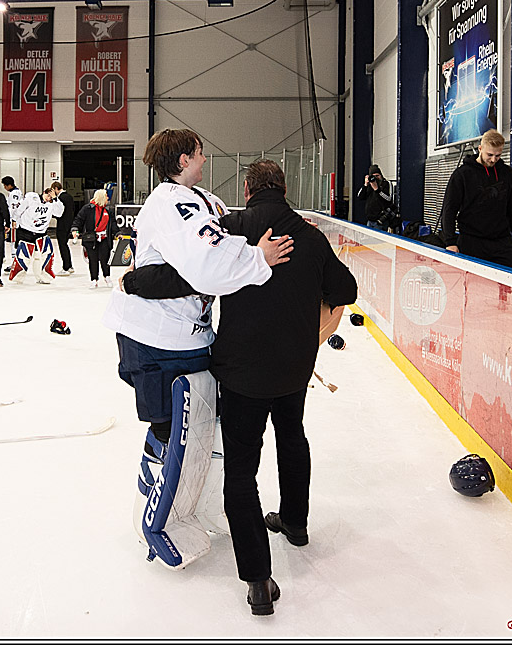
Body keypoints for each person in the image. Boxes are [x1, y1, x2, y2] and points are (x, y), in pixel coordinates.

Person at [121, 159, 357, 616]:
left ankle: (257, 580)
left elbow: (186, 268)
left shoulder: (229, 229)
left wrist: (134, 280)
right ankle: (296, 523)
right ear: (285, 188)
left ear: (246, 189)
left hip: (243, 374)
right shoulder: (309, 235)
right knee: (293, 440)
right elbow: (344, 288)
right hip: (293, 371)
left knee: (241, 471)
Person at [100, 129, 292, 575]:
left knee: (205, 432)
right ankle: (154, 518)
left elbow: (226, 243)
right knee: (173, 431)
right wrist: (256, 260)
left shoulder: (203, 197)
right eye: (201, 152)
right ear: (186, 158)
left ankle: (197, 506)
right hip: (156, 340)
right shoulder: (171, 201)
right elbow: (210, 264)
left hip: (190, 337)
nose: (206, 159)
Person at [441, 129, 512, 268]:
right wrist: (450, 242)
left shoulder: (507, 174)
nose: (493, 159)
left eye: (498, 155)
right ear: (480, 148)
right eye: (489, 155)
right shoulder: (462, 175)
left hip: (501, 241)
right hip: (471, 242)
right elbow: (449, 210)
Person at [9, 184, 65, 284]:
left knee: (42, 256)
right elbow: (19, 210)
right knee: (24, 256)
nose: (49, 199)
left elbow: (59, 213)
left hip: (41, 233)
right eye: (48, 196)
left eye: (51, 197)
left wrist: (55, 199)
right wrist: (14, 220)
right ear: (44, 193)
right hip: (26, 230)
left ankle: (43, 277)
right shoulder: (32, 198)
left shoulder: (52, 204)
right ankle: (18, 277)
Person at [72, 188, 117, 288]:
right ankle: (94, 279)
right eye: (106, 196)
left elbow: (113, 223)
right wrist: (75, 229)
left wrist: (117, 233)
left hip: (105, 238)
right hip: (91, 239)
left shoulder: (108, 210)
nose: (108, 198)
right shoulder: (88, 209)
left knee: (105, 258)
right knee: (93, 259)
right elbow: (79, 220)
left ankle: (107, 276)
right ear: (101, 197)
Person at [357, 164, 394, 231]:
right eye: (373, 176)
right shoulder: (369, 185)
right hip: (370, 220)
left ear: (381, 175)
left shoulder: (386, 184)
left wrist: (377, 190)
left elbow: (389, 199)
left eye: (377, 176)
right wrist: (365, 185)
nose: (376, 178)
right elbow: (360, 197)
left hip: (380, 221)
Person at [53, 181, 76, 275]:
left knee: (62, 245)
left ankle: (66, 267)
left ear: (56, 189)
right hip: (69, 224)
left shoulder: (60, 198)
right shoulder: (69, 196)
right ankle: (69, 265)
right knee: (65, 245)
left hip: (62, 225)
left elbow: (59, 212)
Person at [1, 176, 24, 264]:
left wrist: (10, 219)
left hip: (14, 221)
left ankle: (14, 263)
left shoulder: (14, 193)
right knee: (12, 241)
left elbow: (13, 208)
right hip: (14, 221)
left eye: (5, 185)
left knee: (13, 242)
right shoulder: (15, 192)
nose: (4, 187)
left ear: (9, 185)